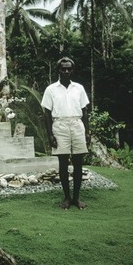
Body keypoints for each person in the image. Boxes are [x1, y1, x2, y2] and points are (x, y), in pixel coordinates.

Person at [41, 57, 91, 210]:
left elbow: (85, 111)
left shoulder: (79, 88)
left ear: (72, 70)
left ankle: (76, 198)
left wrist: (87, 132)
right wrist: (50, 135)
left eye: (69, 69)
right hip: (60, 126)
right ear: (59, 70)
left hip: (77, 125)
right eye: (63, 69)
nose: (66, 71)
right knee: (63, 163)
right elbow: (47, 114)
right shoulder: (51, 89)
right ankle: (67, 198)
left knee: (78, 163)